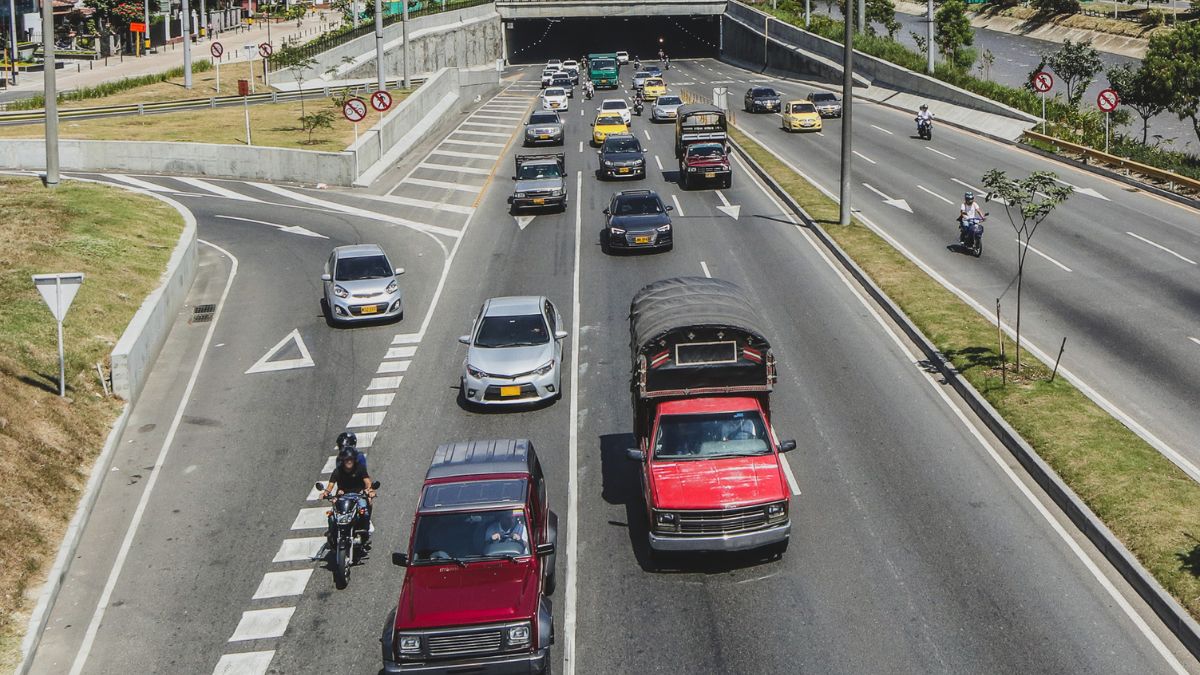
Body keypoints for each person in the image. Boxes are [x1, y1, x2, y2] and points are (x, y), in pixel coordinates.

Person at [322, 448, 375, 545]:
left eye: (351, 459)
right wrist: (325, 493)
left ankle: (364, 534)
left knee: (365, 512)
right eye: (346, 459)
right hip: (343, 496)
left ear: (354, 459)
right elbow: (330, 485)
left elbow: (367, 482)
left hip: (358, 495)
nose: (349, 461)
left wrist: (370, 491)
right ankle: (333, 535)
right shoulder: (338, 471)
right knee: (332, 516)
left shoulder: (360, 468)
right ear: (343, 460)